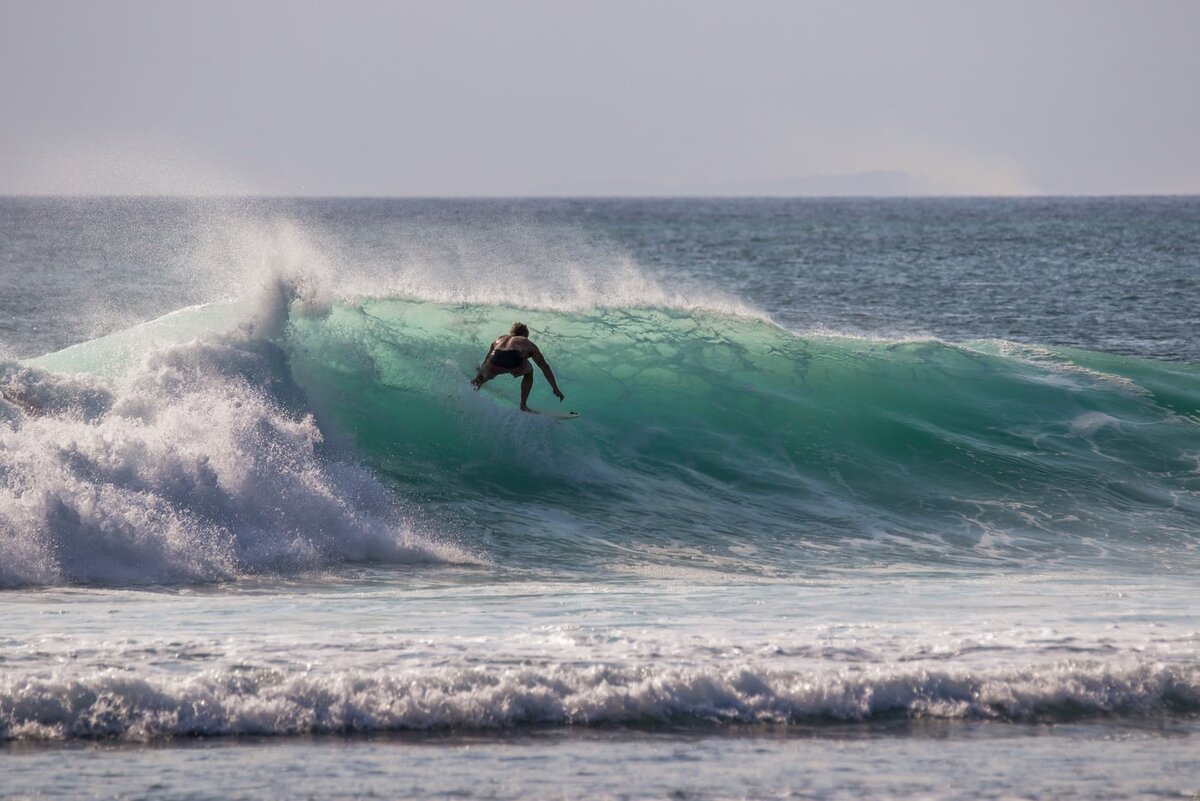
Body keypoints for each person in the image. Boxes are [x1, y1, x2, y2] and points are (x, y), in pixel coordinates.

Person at [470, 322, 564, 411]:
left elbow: (487, 358)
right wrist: (555, 387)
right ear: (524, 333)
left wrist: (481, 372)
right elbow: (544, 366)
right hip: (513, 358)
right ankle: (523, 405)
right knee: (529, 372)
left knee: (479, 380)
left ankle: (470, 390)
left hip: (494, 358)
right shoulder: (525, 341)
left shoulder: (500, 339)